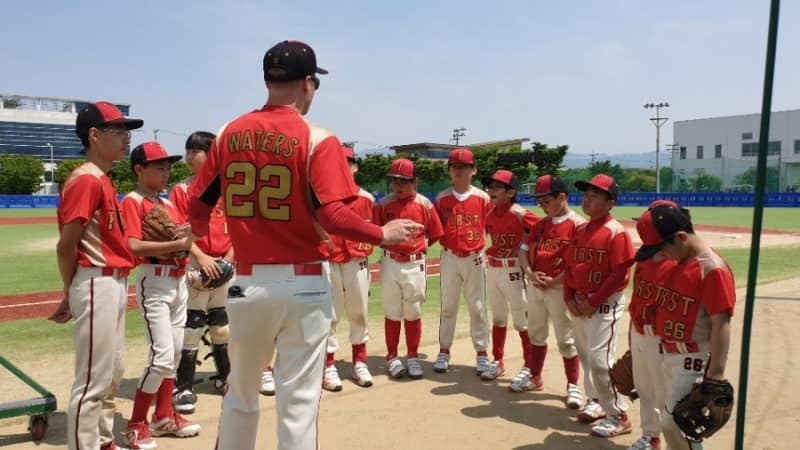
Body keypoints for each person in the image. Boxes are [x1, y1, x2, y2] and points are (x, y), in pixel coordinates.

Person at [187, 40, 418, 450]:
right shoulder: (317, 138)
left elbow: (198, 209)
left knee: (240, 397)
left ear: (267, 80)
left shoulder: (227, 133)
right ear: (308, 83)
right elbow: (333, 216)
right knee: (298, 406)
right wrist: (381, 234)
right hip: (304, 283)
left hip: (247, 282)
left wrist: (203, 247)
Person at [49, 102, 142, 450]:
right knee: (92, 380)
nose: (126, 138)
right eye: (118, 131)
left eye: (127, 132)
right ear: (94, 135)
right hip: (96, 280)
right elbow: (66, 246)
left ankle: (103, 440)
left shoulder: (101, 178)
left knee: (112, 372)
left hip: (111, 281)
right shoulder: (87, 179)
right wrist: (70, 290)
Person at [634, 202, 736, 450]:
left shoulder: (711, 268)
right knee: (677, 420)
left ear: (681, 237)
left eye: (662, 249)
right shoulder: (678, 263)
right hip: (667, 353)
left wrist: (716, 373)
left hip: (693, 358)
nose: (660, 256)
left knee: (674, 422)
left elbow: (720, 321)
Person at [121, 142, 200, 449]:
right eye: (158, 167)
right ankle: (136, 423)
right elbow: (134, 246)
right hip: (154, 282)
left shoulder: (166, 203)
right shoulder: (133, 201)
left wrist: (189, 238)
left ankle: (163, 416)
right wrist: (174, 245)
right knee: (162, 356)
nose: (165, 172)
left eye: (167, 167)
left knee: (175, 353)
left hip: (179, 281)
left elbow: (184, 237)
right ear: (139, 169)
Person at [563, 174, 634, 438]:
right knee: (586, 357)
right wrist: (568, 298)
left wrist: (593, 302)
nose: (587, 199)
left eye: (595, 196)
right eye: (586, 195)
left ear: (610, 202)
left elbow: (619, 274)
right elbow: (569, 267)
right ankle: (596, 402)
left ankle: (619, 414)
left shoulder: (616, 232)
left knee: (600, 360)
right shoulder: (580, 230)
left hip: (604, 305)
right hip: (579, 302)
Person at [169, 131, 235, 414]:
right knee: (192, 327)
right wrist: (201, 257)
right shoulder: (182, 190)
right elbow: (179, 230)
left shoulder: (231, 188)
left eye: (195, 151)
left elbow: (241, 228)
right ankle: (184, 385)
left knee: (222, 325)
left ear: (212, 156)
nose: (189, 156)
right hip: (196, 264)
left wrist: (227, 261)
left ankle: (226, 377)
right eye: (188, 151)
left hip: (226, 264)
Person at [515, 175, 584, 411]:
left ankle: (573, 385)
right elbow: (522, 250)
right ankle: (535, 376)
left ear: (562, 197)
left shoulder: (578, 224)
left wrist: (555, 280)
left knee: (566, 338)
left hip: (559, 288)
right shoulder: (542, 224)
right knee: (536, 333)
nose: (542, 206)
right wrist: (529, 273)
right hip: (537, 284)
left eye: (546, 200)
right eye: (540, 201)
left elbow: (578, 263)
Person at [374, 158, 445, 380]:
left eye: (404, 181)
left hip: (415, 263)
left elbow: (435, 233)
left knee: (413, 311)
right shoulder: (383, 204)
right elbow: (376, 232)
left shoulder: (424, 204)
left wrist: (420, 247)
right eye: (394, 180)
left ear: (415, 181)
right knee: (392, 311)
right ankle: (392, 356)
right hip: (390, 261)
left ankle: (412, 356)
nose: (398, 185)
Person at [321, 145, 377, 391]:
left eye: (348, 163)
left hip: (357, 260)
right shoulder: (321, 195)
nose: (343, 168)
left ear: (355, 167)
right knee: (329, 314)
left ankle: (360, 361)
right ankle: (328, 364)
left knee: (359, 311)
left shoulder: (367, 198)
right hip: (330, 260)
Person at [433, 148, 492, 375]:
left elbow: (492, 226)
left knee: (477, 307)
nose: (459, 170)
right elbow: (436, 228)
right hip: (449, 256)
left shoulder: (483, 198)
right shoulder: (442, 198)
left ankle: (482, 353)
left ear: (473, 170)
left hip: (474, 257)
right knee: (448, 307)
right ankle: (444, 351)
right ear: (449, 171)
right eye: (454, 167)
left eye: (464, 167)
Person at [480, 170, 539, 381]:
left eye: (497, 187)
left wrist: (527, 249)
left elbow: (542, 231)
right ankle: (498, 361)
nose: (491, 190)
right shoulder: (489, 215)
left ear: (511, 192)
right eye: (490, 186)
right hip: (494, 269)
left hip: (514, 269)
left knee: (521, 320)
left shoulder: (520, 213)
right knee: (498, 317)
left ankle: (529, 365)